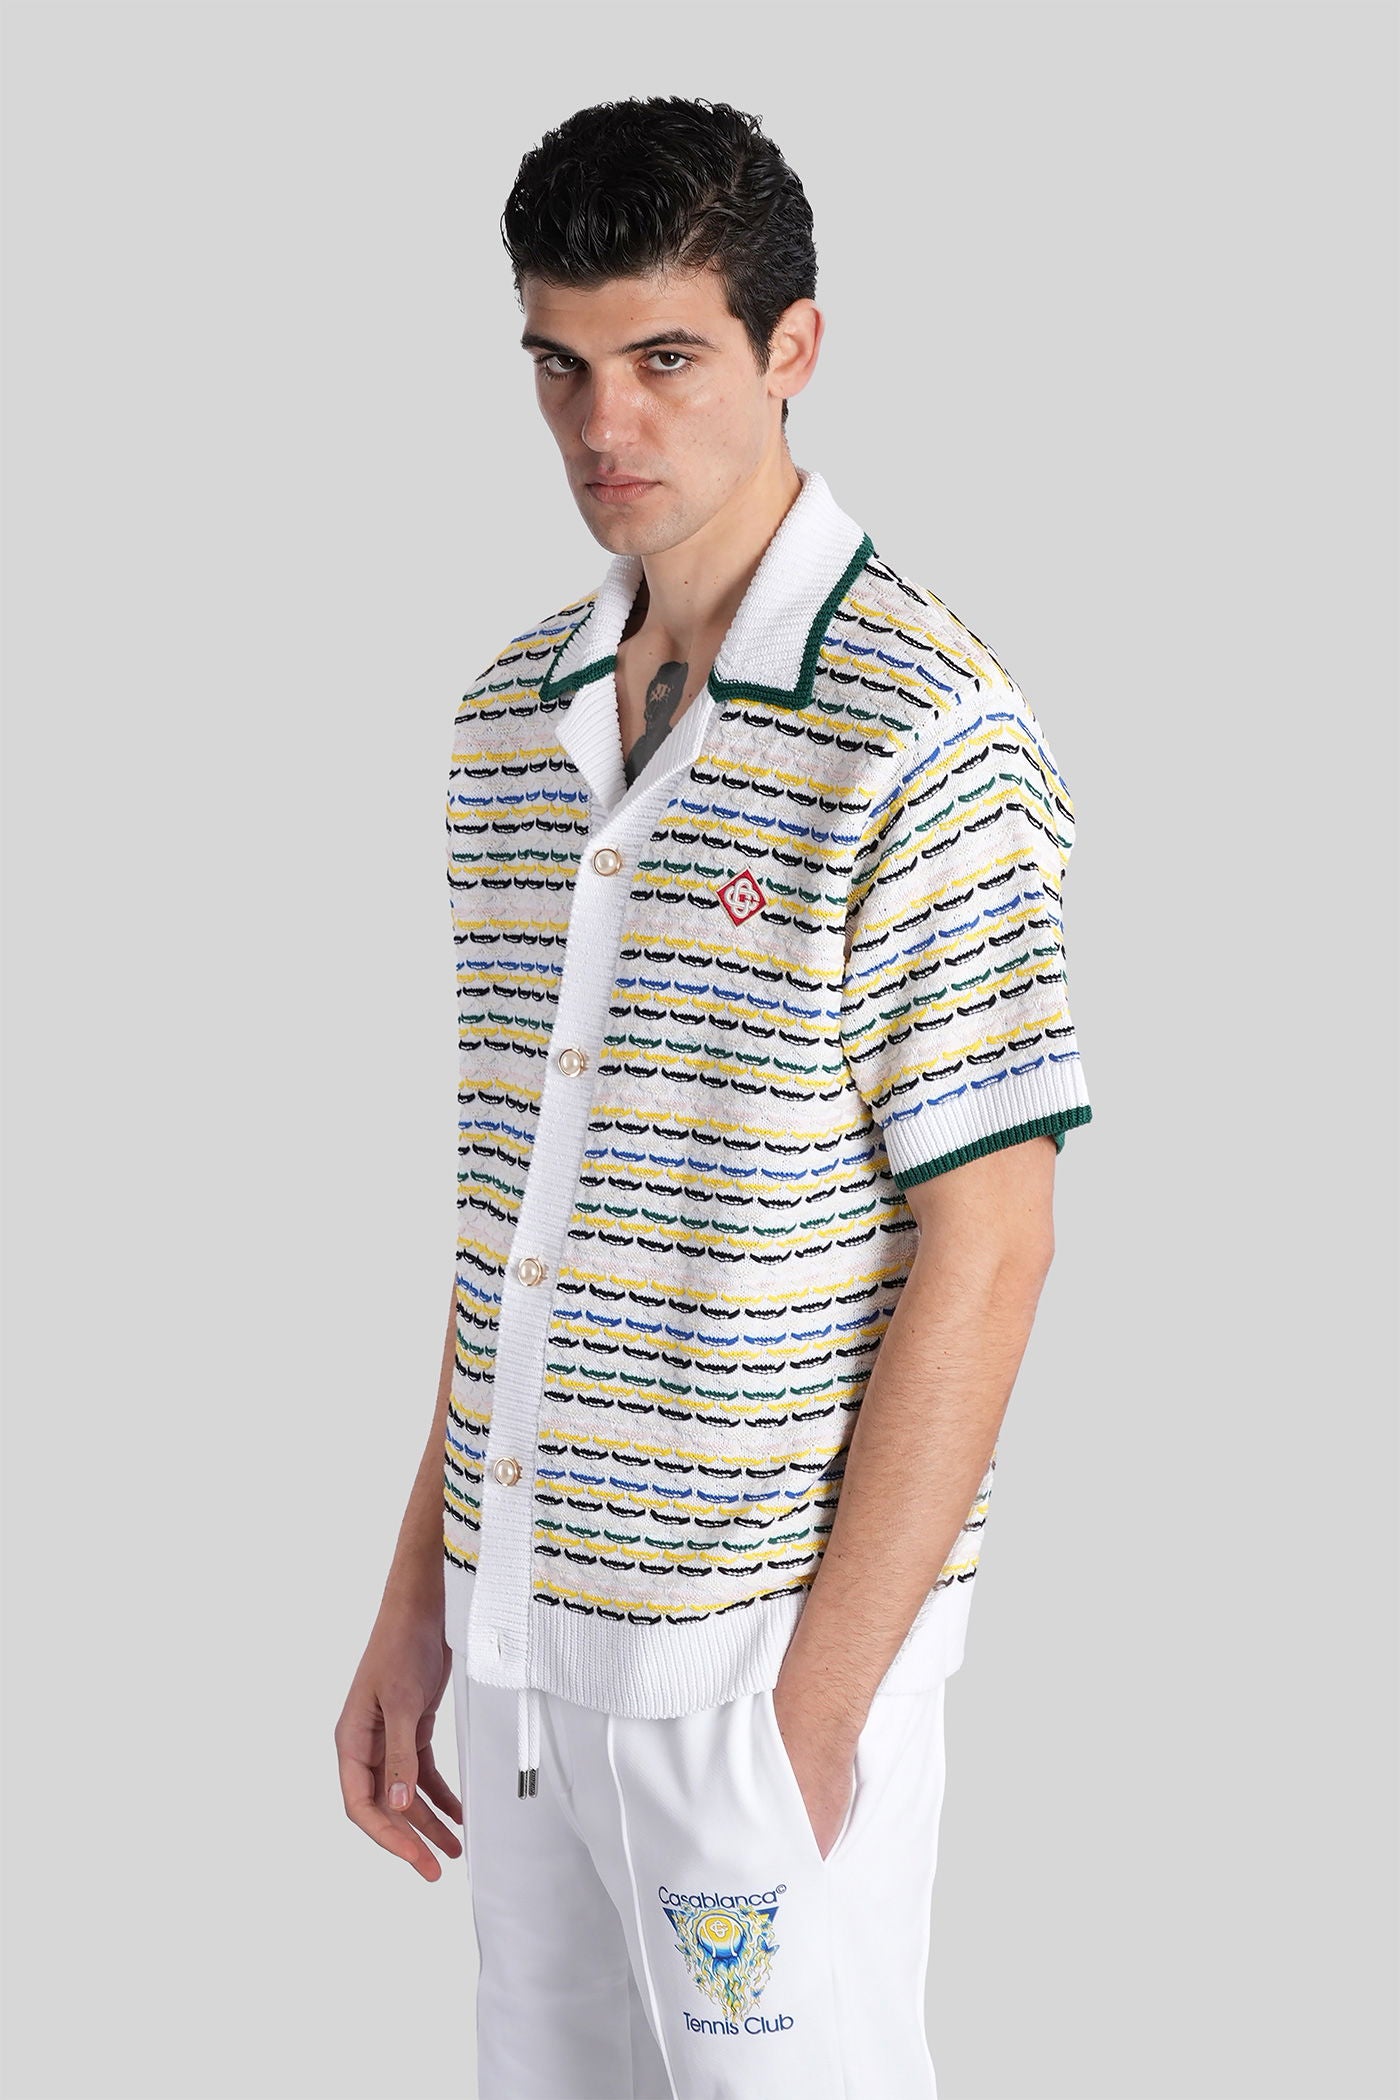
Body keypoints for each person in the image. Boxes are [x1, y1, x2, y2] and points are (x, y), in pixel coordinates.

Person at [335, 93, 1093, 2100]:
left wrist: (813, 1719)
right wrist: (422, 1601)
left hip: (748, 1658)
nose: (606, 425)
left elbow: (994, 1240)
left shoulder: (925, 729)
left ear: (791, 347)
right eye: (560, 365)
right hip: (516, 1641)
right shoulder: (507, 726)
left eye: (666, 358)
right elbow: (517, 1212)